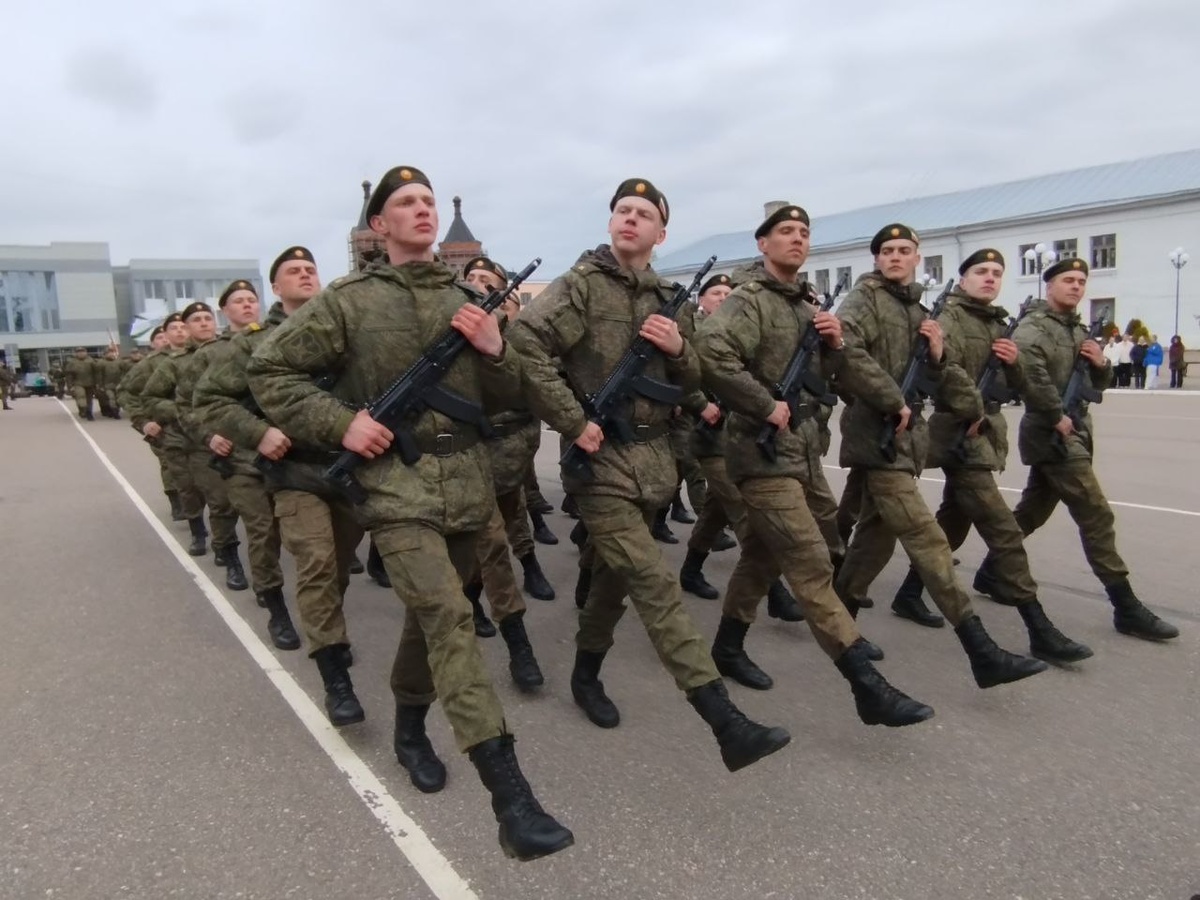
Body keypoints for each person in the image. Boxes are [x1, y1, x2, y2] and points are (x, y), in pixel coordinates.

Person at [248, 166, 573, 861]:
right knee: (450, 620)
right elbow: (271, 371)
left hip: (467, 483)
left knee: (435, 618)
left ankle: (407, 721)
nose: (423, 210)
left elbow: (517, 392)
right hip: (394, 487)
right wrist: (342, 424)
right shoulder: (349, 302)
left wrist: (496, 347)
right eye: (406, 203)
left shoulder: (472, 298)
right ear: (380, 226)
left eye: (429, 200)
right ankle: (510, 793)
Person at [508, 177, 792, 770]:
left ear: (662, 232)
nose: (630, 219)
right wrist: (571, 418)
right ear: (611, 223)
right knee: (655, 585)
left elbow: (693, 382)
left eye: (644, 214)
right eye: (622, 211)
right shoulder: (580, 288)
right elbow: (523, 345)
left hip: (655, 464)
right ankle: (722, 718)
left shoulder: (672, 297)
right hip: (601, 463)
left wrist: (679, 349)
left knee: (614, 583)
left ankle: (586, 673)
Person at [695, 203, 933, 723]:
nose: (797, 239)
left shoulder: (805, 304)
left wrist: (833, 343)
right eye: (785, 232)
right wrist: (762, 403)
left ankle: (728, 647)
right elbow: (710, 350)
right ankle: (867, 688)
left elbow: (829, 377)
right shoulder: (748, 299)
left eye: (804, 232)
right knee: (809, 559)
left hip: (798, 451)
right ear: (763, 244)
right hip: (758, 454)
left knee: (761, 556)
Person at [834, 223, 1048, 690]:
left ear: (917, 258)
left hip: (906, 438)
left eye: (904, 250)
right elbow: (848, 355)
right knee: (927, 538)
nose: (895, 256)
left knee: (874, 536)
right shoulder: (864, 300)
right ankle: (981, 650)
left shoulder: (920, 311)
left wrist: (961, 392)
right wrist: (894, 399)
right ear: (877, 259)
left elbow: (943, 368)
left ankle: (837, 623)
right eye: (887, 250)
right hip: (876, 435)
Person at [888, 249, 1091, 664]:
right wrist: (973, 409)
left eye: (997, 273)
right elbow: (941, 375)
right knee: (1004, 531)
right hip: (961, 435)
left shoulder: (998, 322)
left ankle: (909, 593)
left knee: (953, 522)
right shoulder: (951, 319)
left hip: (982, 433)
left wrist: (1014, 365)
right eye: (981, 272)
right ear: (963, 279)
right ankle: (1037, 626)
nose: (990, 278)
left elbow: (1013, 383)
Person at [977, 257, 1179, 643]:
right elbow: (1029, 377)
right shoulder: (1033, 329)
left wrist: (1101, 363)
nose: (1076, 286)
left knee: (1032, 511)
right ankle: (1125, 605)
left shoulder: (1075, 329)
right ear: (1049, 285)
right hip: (1051, 432)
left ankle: (992, 570)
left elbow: (1095, 382)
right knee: (1096, 514)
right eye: (1068, 280)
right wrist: (1055, 415)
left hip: (1074, 430)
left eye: (1082, 281)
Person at [457, 254, 549, 693]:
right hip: (466, 463)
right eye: (470, 278)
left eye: (487, 281)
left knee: (501, 534)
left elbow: (534, 392)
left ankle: (472, 599)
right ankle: (520, 644)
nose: (477, 284)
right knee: (492, 547)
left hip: (511, 457)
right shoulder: (447, 336)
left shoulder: (516, 340)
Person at [119, 325, 182, 518]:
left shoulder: (198, 354)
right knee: (169, 465)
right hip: (163, 426)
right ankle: (177, 503)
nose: (165, 340)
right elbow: (125, 391)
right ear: (153, 343)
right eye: (160, 337)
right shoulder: (149, 365)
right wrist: (143, 421)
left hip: (195, 425)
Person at [64, 347, 97, 420]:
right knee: (80, 396)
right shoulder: (72, 362)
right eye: (79, 352)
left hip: (90, 383)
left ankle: (89, 413)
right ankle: (83, 409)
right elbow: (69, 375)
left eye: (83, 351)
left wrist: (96, 383)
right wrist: (70, 386)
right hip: (78, 383)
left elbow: (96, 372)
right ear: (76, 353)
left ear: (86, 352)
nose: (81, 353)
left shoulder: (91, 361)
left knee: (89, 399)